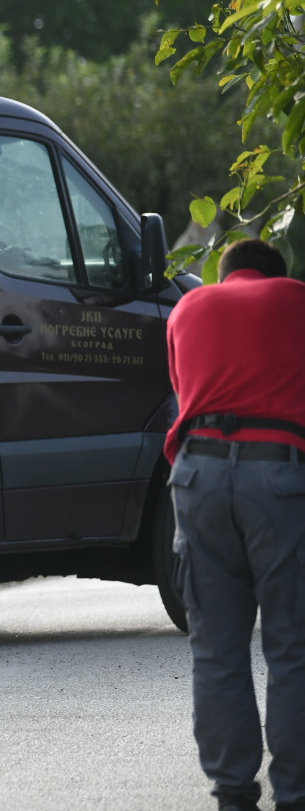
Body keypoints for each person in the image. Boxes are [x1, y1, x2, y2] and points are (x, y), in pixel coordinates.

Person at [166, 238, 305, 811]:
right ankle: (296, 795)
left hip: (197, 475)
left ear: (224, 277)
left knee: (217, 646)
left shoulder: (187, 310)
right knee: (292, 646)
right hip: (278, 476)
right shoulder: (297, 300)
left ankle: (232, 795)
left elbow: (185, 392)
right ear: (278, 273)